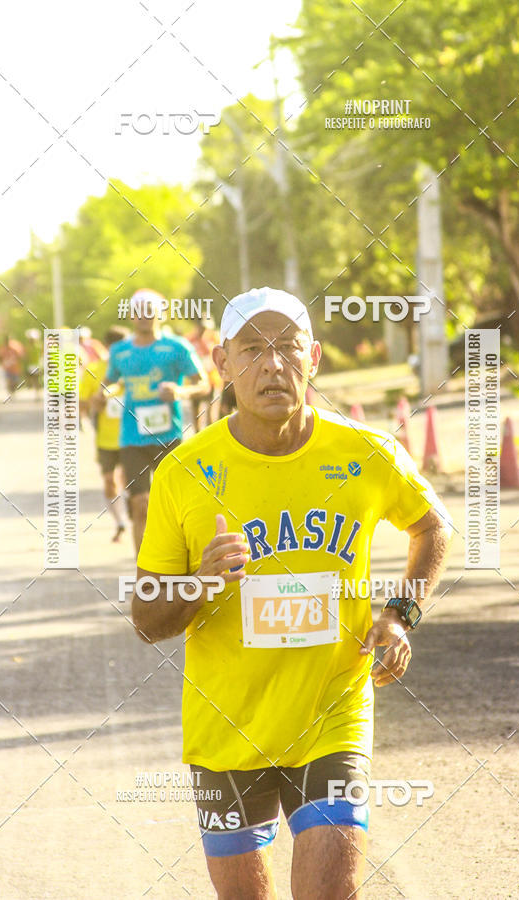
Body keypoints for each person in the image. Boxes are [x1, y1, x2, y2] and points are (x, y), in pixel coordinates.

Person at [131, 286, 453, 898]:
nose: (272, 365)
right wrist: (201, 582)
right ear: (222, 363)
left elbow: (432, 525)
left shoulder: (366, 452)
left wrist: (401, 613)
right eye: (253, 350)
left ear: (315, 358)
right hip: (226, 730)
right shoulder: (183, 472)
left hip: (333, 715)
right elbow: (146, 618)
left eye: (288, 348)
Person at [105, 289, 210, 554]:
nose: (144, 316)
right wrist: (102, 394)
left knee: (176, 506)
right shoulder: (119, 351)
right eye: (139, 311)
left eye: (150, 311)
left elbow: (204, 384)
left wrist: (180, 392)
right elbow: (110, 381)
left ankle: (180, 561)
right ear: (131, 315)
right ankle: (144, 570)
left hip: (169, 437)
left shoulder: (177, 347)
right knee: (140, 504)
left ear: (161, 314)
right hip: (132, 438)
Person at [79, 326, 129, 542]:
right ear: (108, 347)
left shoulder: (134, 367)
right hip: (106, 438)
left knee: (130, 482)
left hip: (133, 436)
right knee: (110, 481)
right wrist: (95, 402)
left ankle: (136, 516)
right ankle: (120, 522)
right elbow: (81, 403)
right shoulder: (94, 369)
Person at [188, 319, 223, 431]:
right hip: (195, 381)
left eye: (206, 328)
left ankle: (211, 434)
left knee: (211, 411)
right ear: (197, 326)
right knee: (196, 411)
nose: (204, 330)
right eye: (202, 327)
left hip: (212, 380)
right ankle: (197, 435)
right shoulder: (189, 339)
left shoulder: (214, 338)